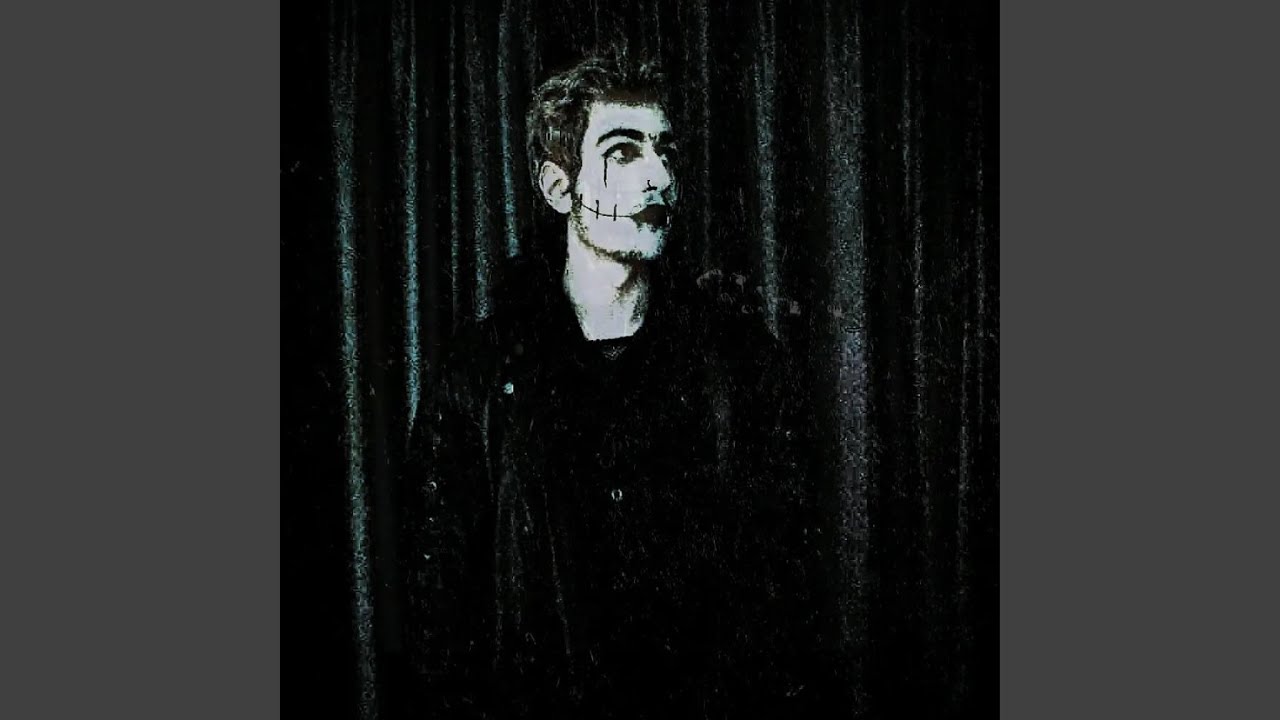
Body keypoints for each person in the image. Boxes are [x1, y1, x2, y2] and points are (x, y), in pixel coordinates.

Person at [400, 52, 840, 719]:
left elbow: (785, 597)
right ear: (558, 187)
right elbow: (438, 608)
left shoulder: (742, 366)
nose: (659, 176)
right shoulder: (480, 377)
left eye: (665, 152)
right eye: (623, 152)